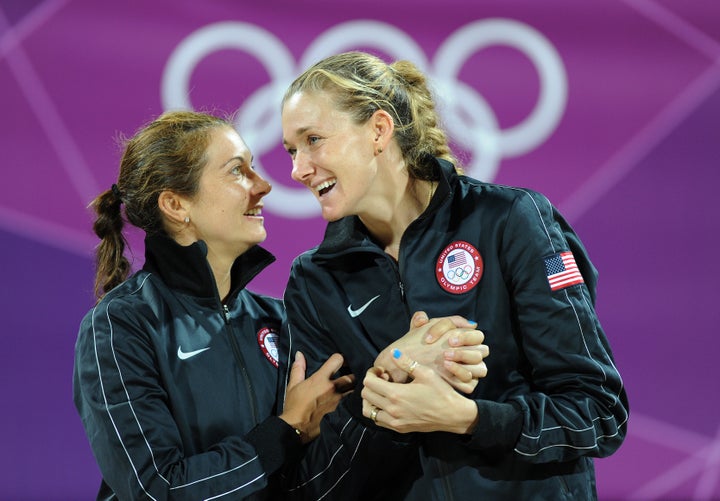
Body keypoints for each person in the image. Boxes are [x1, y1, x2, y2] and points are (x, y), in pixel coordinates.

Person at [72, 110, 485, 500]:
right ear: (177, 205)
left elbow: (317, 485)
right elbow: (157, 489)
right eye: (238, 170)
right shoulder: (119, 326)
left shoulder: (276, 319)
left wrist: (391, 379)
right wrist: (285, 431)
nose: (263, 185)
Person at [279, 51, 629, 500]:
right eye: (291, 150)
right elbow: (319, 479)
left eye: (313, 140)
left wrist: (467, 418)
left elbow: (599, 412)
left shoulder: (509, 221)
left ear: (379, 131)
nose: (297, 169)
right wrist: (390, 378)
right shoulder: (314, 280)